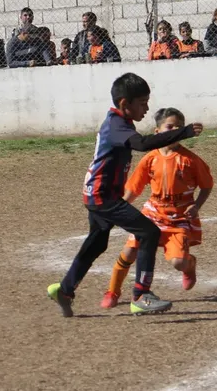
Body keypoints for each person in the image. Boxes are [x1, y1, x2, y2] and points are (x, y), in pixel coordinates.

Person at [47, 73, 204, 317]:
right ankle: (141, 295)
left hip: (96, 194)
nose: (147, 107)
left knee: (96, 244)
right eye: (142, 102)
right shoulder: (116, 125)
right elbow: (141, 144)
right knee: (149, 231)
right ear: (124, 104)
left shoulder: (119, 122)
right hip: (103, 196)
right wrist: (181, 133)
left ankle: (65, 289)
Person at [101, 107, 213, 308]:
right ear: (157, 132)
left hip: (178, 219)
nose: (174, 131)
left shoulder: (191, 160)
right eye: (169, 126)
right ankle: (112, 291)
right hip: (152, 214)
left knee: (178, 262)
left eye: (178, 127)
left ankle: (190, 264)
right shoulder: (150, 158)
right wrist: (117, 211)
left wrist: (196, 206)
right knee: (129, 252)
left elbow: (206, 186)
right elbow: (133, 189)